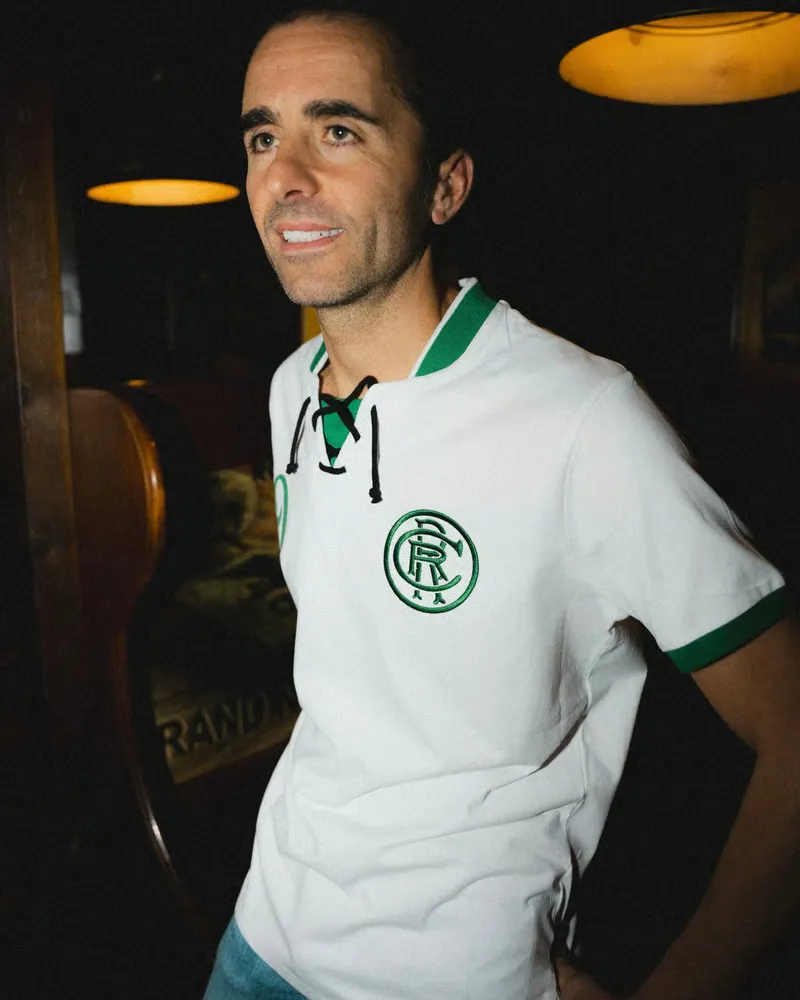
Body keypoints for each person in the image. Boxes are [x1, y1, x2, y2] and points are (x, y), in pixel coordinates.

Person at [204, 5, 800, 999]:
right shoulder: (290, 388)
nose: (286, 176)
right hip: (259, 936)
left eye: (338, 129)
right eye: (263, 137)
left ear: (444, 185)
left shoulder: (584, 422)